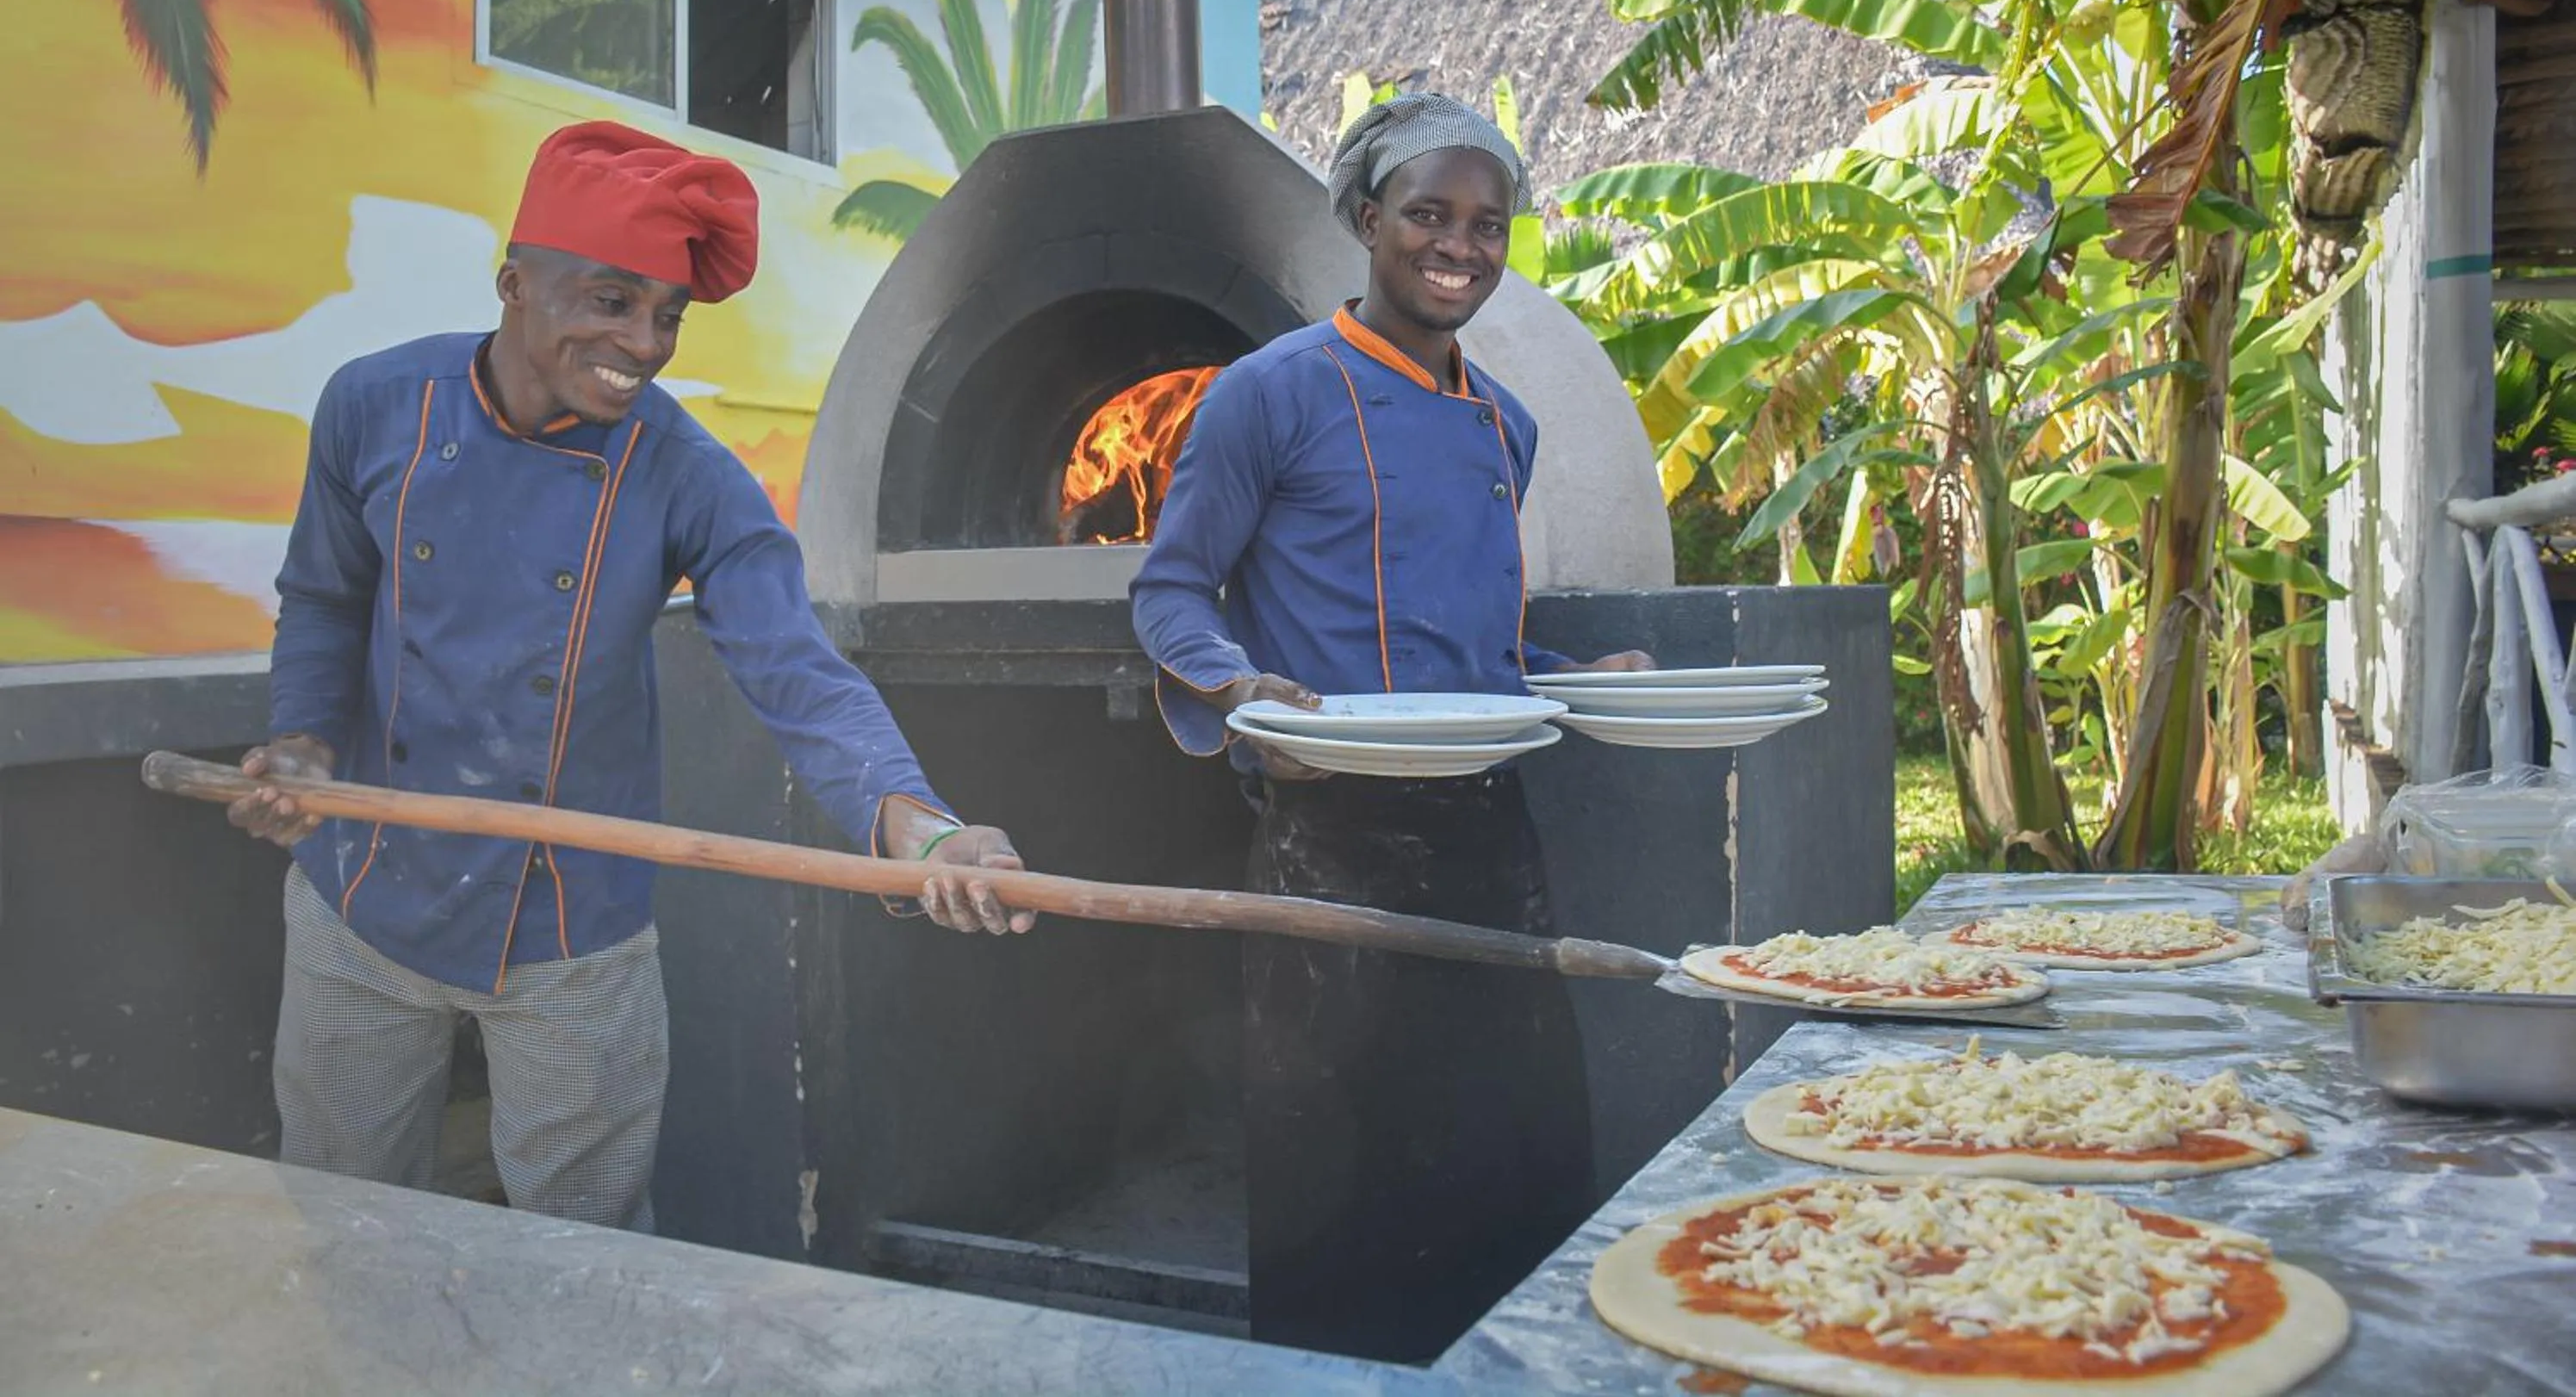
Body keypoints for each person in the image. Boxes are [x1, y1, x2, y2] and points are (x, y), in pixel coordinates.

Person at [227, 121, 1033, 1234]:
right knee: (337, 1214)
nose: (644, 344)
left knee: (589, 1243)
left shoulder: (685, 473)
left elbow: (792, 665)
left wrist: (917, 826)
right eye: (610, 302)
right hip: (360, 891)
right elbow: (324, 598)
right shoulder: (375, 406)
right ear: (515, 282)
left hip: (571, 928)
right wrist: (304, 742)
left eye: (666, 316)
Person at [1130, 93, 1654, 1363]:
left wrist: (1582, 674)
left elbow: (1467, 645)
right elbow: (1169, 590)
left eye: (1487, 224)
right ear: (1366, 220)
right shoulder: (1269, 394)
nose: (1459, 246)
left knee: (1514, 1155)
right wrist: (1236, 684)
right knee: (1345, 1185)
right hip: (1328, 839)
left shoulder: (1502, 426)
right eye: (1427, 214)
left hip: (1491, 831)